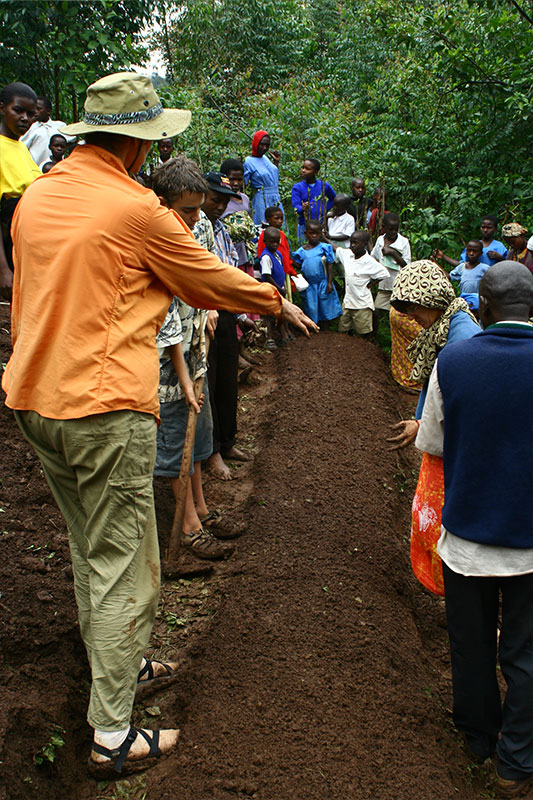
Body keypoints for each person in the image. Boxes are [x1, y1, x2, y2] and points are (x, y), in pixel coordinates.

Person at [2, 72, 316, 777]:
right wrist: (272, 301)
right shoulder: (134, 209)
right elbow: (206, 277)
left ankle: (122, 661)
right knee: (127, 566)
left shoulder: (38, 197)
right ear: (141, 146)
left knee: (92, 549)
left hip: (34, 397)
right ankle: (112, 735)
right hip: (103, 405)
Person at [415, 262, 533, 797]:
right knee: (526, 653)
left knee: (471, 644)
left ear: (481, 305)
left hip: (467, 541)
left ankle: (478, 741)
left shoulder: (454, 360)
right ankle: (516, 762)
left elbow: (434, 444)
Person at [151, 155, 240, 560]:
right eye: (187, 209)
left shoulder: (199, 223)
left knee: (198, 431)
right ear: (165, 202)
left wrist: (208, 310)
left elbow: (203, 272)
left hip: (194, 342)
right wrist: (183, 375)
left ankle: (202, 510)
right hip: (166, 358)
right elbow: (162, 306)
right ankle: (187, 527)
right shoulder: (152, 232)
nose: (194, 217)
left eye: (198, 207)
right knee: (175, 437)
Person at [387, 260, 479, 596]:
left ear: (431, 300)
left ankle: (458, 593)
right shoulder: (442, 329)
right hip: (447, 441)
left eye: (414, 308)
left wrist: (423, 423)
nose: (411, 317)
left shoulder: (461, 338)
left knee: (441, 521)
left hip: (457, 449)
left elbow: (459, 402)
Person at [199, 172, 260, 481]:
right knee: (206, 386)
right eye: (215, 200)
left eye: (224, 201)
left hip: (223, 313)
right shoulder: (195, 227)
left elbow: (229, 275)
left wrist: (239, 315)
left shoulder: (222, 229)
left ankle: (227, 443)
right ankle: (210, 453)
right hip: (202, 314)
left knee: (227, 381)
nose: (220, 206)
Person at [0, 81, 41, 297]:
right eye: (18, 110)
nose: (25, 118)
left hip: (23, 246)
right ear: (2, 108)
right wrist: (3, 269)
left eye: (30, 114)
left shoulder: (22, 148)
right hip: (7, 246)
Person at [334, 230, 388, 338]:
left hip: (361, 304)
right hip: (348, 301)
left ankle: (367, 347)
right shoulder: (348, 255)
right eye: (351, 242)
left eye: (356, 243)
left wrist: (372, 284)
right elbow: (336, 248)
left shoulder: (369, 262)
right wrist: (324, 238)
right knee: (343, 328)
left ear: (364, 244)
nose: (352, 246)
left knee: (363, 332)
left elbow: (384, 273)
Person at [292, 221, 342, 327]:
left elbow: (329, 265)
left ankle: (326, 329)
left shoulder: (324, 247)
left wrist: (329, 282)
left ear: (320, 234)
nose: (314, 236)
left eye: (317, 233)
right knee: (311, 306)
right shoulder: (301, 251)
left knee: (325, 305)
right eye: (311, 233)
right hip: (309, 284)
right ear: (306, 234)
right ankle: (314, 326)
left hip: (323, 282)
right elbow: (298, 264)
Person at [371, 212, 411, 332]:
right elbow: (374, 258)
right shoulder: (380, 240)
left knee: (399, 316)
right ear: (384, 227)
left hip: (398, 286)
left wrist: (393, 253)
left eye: (396, 229)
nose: (394, 232)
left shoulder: (403, 242)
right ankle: (374, 337)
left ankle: (397, 335)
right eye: (390, 229)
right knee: (375, 311)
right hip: (383, 285)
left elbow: (407, 266)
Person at [219, 158, 257, 277]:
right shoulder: (220, 201)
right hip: (228, 252)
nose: (235, 183)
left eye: (239, 180)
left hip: (245, 253)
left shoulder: (245, 199)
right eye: (232, 179)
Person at [434, 215, 508, 268]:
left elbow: (508, 265)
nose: (485, 230)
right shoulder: (474, 246)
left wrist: (500, 258)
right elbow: (462, 265)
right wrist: (443, 257)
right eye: (483, 227)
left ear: (495, 229)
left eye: (489, 228)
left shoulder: (499, 246)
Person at [243, 130, 283, 225]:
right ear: (256, 143)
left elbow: (272, 177)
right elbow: (243, 183)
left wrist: (276, 162)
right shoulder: (248, 161)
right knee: (264, 228)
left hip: (276, 198)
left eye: (267, 145)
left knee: (279, 227)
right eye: (262, 144)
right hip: (262, 198)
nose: (264, 148)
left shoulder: (266, 158)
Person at [291, 157, 336, 242]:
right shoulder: (297, 188)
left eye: (307, 169)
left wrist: (324, 209)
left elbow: (334, 199)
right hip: (304, 225)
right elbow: (296, 207)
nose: (303, 170)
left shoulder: (324, 186)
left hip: (320, 224)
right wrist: (302, 208)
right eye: (303, 167)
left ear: (315, 172)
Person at [258, 226, 288, 348]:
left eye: (277, 241)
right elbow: (267, 276)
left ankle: (281, 335)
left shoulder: (277, 254)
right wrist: (278, 288)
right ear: (265, 241)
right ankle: (269, 338)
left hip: (279, 288)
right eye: (272, 241)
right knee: (269, 315)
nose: (275, 244)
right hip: (271, 290)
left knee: (281, 312)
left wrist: (283, 287)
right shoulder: (266, 257)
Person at [20, 95, 71, 165]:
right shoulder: (30, 127)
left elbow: (71, 140)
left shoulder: (59, 126)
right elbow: (22, 146)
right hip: (35, 170)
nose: (35, 111)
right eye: (34, 109)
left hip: (56, 168)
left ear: (48, 111)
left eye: (39, 109)